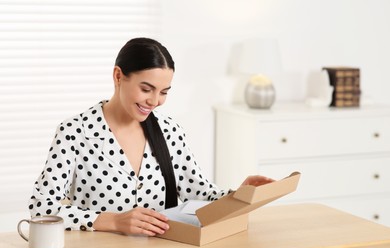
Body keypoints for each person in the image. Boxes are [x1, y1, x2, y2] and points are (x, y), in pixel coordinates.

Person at [28, 37, 273, 237]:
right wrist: (113, 221)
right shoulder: (74, 132)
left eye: (163, 92)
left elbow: (198, 192)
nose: (154, 101)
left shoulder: (169, 131)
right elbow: (41, 209)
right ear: (118, 76)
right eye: (146, 89)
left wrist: (237, 197)